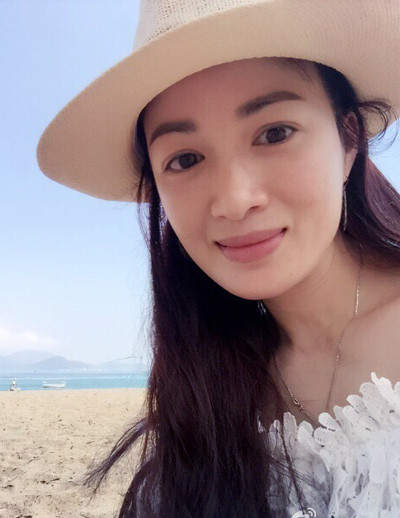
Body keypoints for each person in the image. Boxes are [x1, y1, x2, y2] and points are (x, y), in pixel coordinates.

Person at [36, 1, 400, 516]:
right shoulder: (203, 395)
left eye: (274, 133)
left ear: (348, 140)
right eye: (185, 159)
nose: (234, 200)